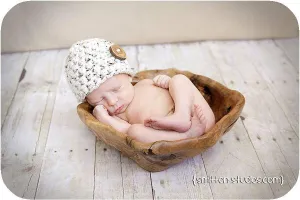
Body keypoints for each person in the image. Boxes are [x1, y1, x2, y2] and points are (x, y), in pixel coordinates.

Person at [65, 38, 215, 143]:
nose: (112, 101)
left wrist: (167, 82)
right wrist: (105, 118)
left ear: (129, 76)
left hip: (198, 116)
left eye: (117, 89)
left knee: (179, 80)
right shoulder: (119, 116)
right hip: (172, 137)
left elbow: (177, 91)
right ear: (89, 102)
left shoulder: (145, 83)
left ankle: (180, 116)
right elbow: (123, 132)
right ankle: (187, 135)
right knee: (134, 132)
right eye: (99, 100)